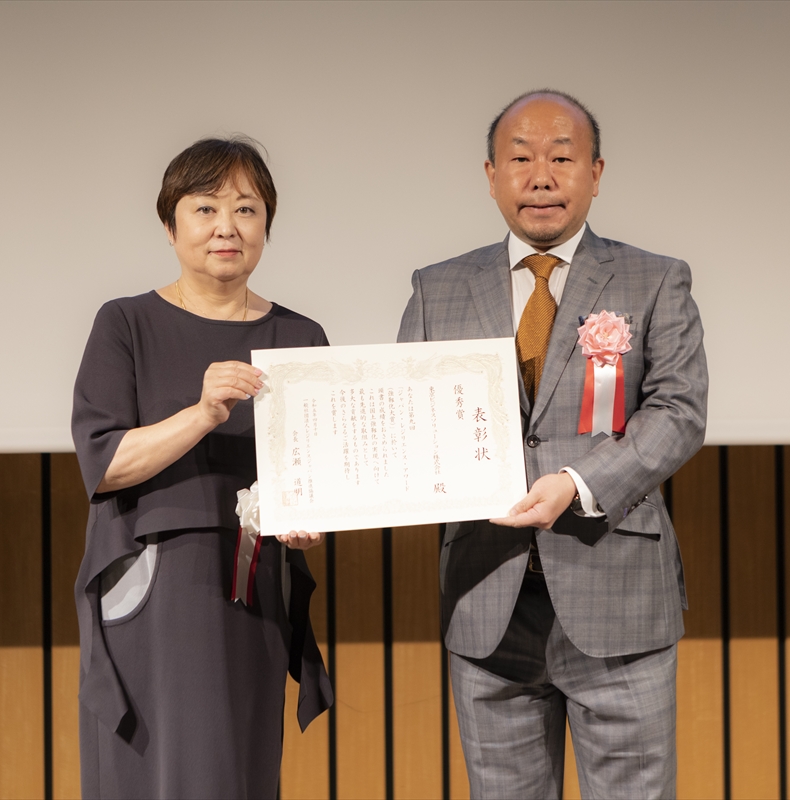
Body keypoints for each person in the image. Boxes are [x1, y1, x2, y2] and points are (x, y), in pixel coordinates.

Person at [398, 90, 708, 798]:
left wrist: (576, 481)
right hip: (488, 601)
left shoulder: (654, 279)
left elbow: (679, 411)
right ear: (490, 175)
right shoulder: (438, 287)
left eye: (561, 158)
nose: (541, 176)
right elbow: (408, 419)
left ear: (596, 172)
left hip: (618, 598)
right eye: (521, 158)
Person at [71, 136, 333, 798]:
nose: (226, 227)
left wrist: (312, 521)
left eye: (246, 210)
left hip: (253, 584)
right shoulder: (125, 323)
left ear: (266, 226)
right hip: (155, 582)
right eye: (205, 208)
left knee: (240, 770)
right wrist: (203, 412)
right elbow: (105, 464)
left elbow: (321, 476)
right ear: (170, 224)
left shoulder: (301, 337)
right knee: (157, 772)